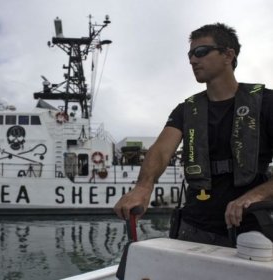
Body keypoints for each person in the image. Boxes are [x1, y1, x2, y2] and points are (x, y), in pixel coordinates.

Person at [114, 23, 273, 247]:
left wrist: (253, 197)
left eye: (201, 52)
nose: (192, 60)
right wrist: (143, 187)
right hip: (193, 229)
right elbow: (161, 151)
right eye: (190, 54)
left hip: (251, 230)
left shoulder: (265, 103)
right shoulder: (186, 110)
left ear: (228, 55)